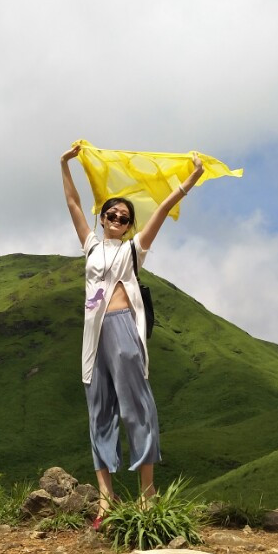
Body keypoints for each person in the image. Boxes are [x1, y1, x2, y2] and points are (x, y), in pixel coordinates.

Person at [61, 143, 204, 529]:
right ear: (103, 216)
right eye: (111, 214)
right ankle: (106, 500)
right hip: (93, 336)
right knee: (99, 410)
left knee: (136, 408)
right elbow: (74, 205)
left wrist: (190, 180)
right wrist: (64, 165)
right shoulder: (90, 245)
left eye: (124, 218)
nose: (117, 220)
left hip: (124, 326)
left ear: (128, 226)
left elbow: (160, 211)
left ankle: (147, 493)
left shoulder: (133, 249)